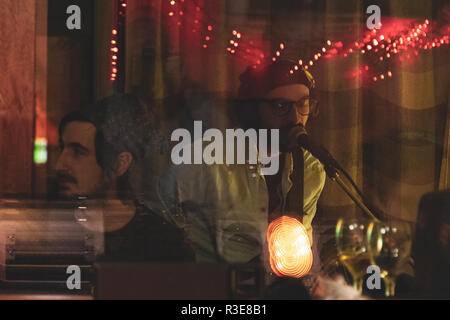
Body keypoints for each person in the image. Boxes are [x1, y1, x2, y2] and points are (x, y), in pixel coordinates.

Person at [158, 59, 326, 281]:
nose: (295, 118)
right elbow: (159, 222)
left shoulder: (312, 168)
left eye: (303, 104)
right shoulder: (205, 159)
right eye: (280, 106)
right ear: (253, 110)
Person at [56, 93, 194, 262]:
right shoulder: (51, 229)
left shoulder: (161, 243)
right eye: (62, 149)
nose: (60, 165)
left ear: (120, 164)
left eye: (78, 152)